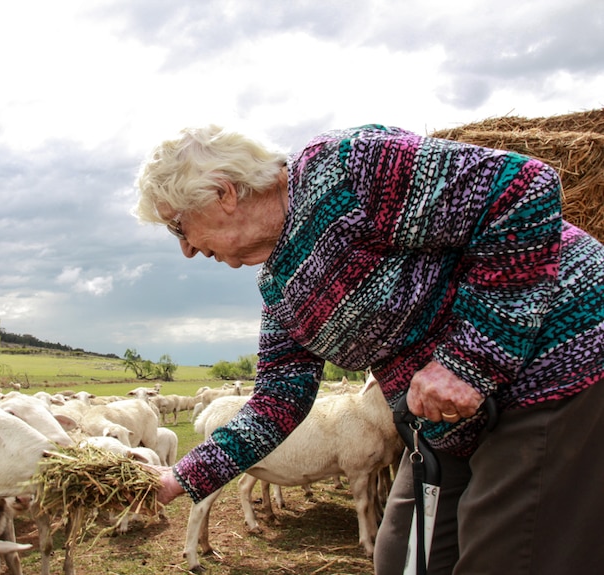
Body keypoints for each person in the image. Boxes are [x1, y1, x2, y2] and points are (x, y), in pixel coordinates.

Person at [132, 123, 604, 574]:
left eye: (179, 227)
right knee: (401, 556)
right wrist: (181, 477)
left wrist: (468, 362)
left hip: (554, 367)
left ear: (223, 192)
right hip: (450, 420)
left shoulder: (342, 169)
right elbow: (278, 400)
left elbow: (522, 187)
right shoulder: (278, 286)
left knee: (505, 558)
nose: (187, 250)